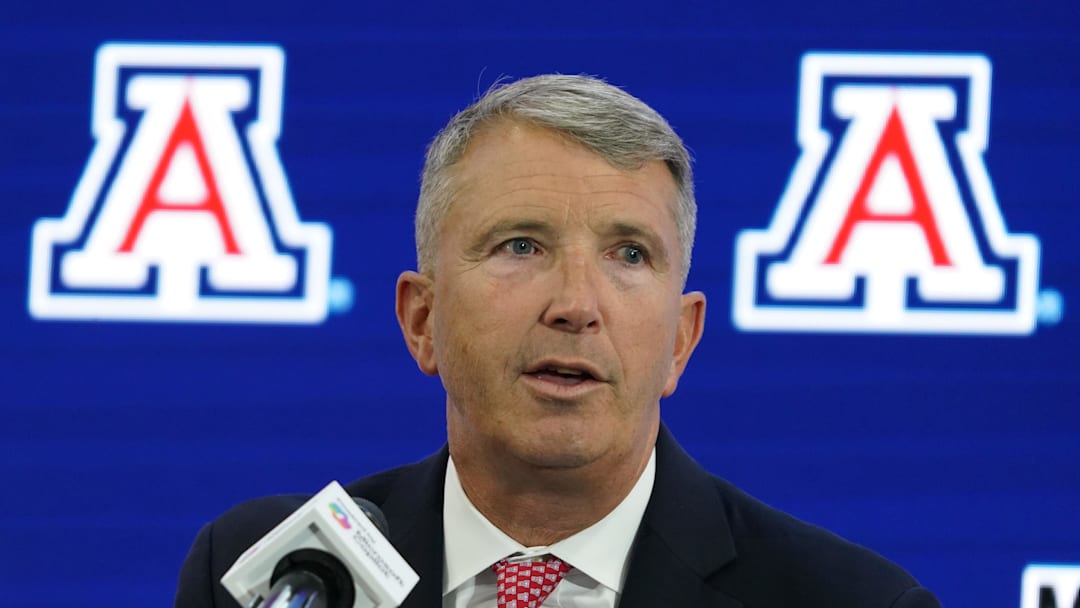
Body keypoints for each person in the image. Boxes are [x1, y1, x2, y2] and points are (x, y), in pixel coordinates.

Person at [175, 74, 940, 607]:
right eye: (520, 246)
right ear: (420, 321)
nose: (576, 306)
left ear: (682, 340)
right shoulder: (283, 577)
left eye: (629, 255)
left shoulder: (846, 600)